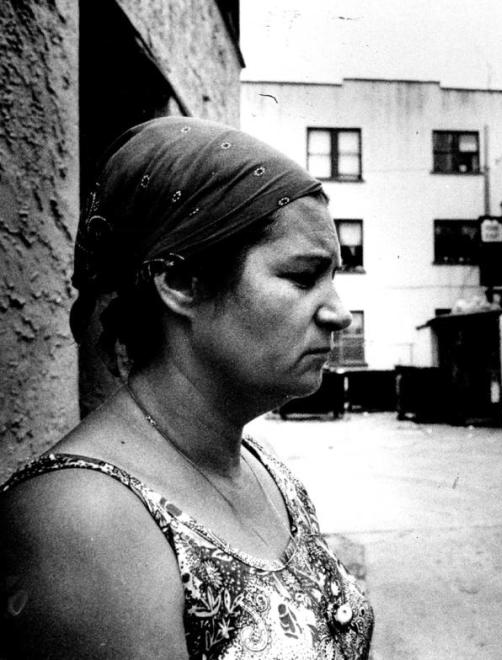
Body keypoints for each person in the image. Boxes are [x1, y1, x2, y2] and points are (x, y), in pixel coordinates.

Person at [0, 117, 374, 658]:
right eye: (301, 277)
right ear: (179, 282)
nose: (338, 313)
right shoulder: (83, 519)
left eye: (334, 277)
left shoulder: (262, 468)